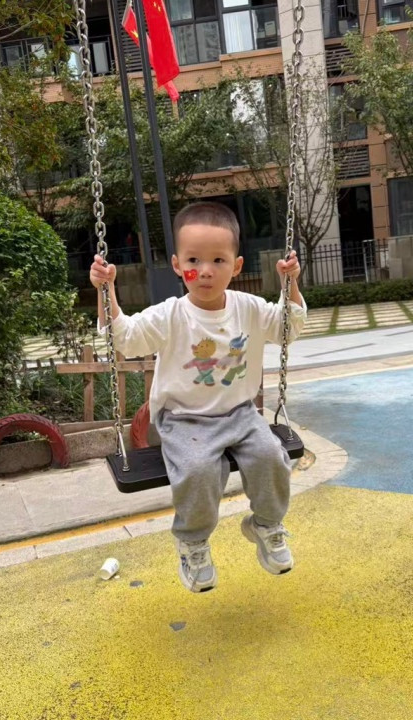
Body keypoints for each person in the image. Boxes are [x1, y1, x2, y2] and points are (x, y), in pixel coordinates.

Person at [89, 201, 306, 593]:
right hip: (183, 418)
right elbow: (126, 338)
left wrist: (290, 283)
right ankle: (193, 543)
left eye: (218, 260)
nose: (205, 271)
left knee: (272, 457)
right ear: (177, 265)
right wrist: (108, 292)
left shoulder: (249, 308)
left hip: (240, 413)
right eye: (193, 260)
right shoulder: (170, 315)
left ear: (236, 266)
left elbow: (288, 328)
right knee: (199, 470)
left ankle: (266, 524)